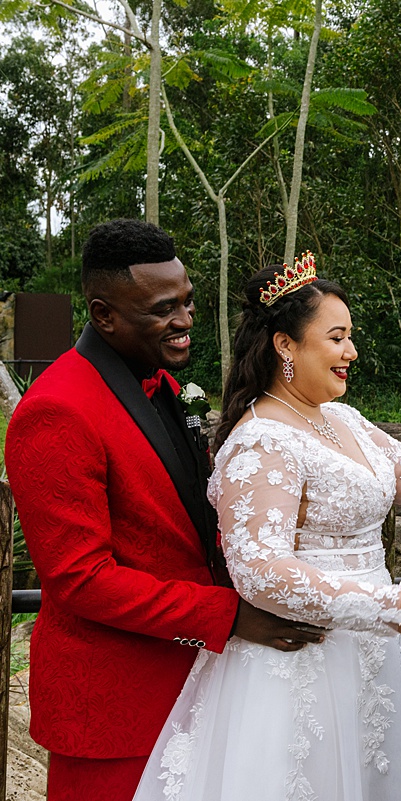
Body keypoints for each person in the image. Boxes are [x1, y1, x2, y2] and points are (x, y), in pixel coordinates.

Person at [130, 252, 401, 800]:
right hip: (299, 664)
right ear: (285, 345)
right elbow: (260, 572)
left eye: (350, 337)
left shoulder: (339, 418)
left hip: (365, 654)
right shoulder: (261, 440)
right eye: (337, 337)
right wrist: (387, 607)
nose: (351, 352)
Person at [4, 219, 326, 801]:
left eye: (187, 301)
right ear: (104, 315)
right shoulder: (55, 411)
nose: (184, 321)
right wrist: (226, 616)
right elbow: (79, 579)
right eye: (162, 309)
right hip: (112, 709)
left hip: (194, 684)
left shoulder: (167, 386)